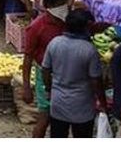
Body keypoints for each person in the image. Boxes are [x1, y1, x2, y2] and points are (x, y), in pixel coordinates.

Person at [41, 9, 108, 138]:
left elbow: (45, 70)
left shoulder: (55, 43)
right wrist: (102, 102)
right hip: (82, 107)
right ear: (86, 27)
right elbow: (96, 81)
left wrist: (49, 89)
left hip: (58, 104)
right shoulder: (89, 50)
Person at [21, 0, 70, 138]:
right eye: (59, 5)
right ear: (49, 7)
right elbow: (28, 57)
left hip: (66, 74)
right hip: (45, 75)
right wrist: (26, 86)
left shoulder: (69, 21)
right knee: (45, 117)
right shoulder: (36, 27)